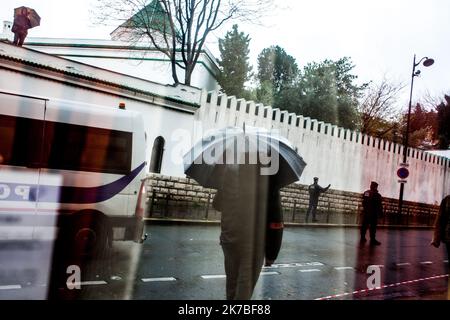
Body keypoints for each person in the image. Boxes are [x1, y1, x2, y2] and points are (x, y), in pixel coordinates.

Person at [212, 164, 283, 300]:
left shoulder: (231, 170)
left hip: (230, 238)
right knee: (244, 287)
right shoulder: (268, 175)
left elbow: (217, 204)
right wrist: (271, 254)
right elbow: (275, 219)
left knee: (231, 286)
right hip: (253, 243)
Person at [360, 181, 382, 246]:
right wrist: (380, 214)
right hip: (373, 214)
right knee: (373, 227)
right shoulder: (377, 195)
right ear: (376, 187)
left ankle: (362, 237)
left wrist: (365, 209)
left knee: (364, 226)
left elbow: (364, 202)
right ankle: (372, 240)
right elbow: (379, 206)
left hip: (366, 212)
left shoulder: (366, 192)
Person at [431, 195, 450, 266]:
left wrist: (436, 237)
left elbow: (440, 218)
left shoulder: (447, 199)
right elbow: (440, 218)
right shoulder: (447, 200)